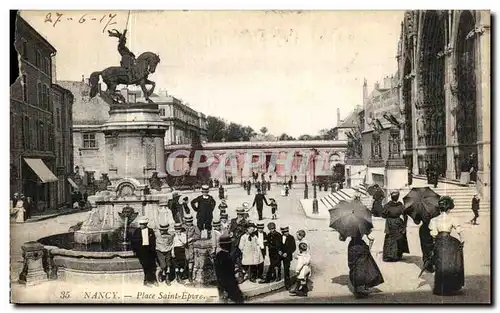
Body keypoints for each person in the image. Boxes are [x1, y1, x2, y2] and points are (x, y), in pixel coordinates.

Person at [429, 196, 465, 296]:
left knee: (440, 264)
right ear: (449, 208)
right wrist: (462, 241)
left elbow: (434, 234)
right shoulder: (452, 218)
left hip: (439, 241)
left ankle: (440, 288)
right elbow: (459, 231)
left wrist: (434, 245)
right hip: (450, 242)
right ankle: (452, 286)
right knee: (451, 263)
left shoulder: (434, 220)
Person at [340, 230, 384, 298]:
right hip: (360, 246)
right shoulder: (362, 225)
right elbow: (367, 232)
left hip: (352, 247)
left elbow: (342, 238)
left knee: (354, 267)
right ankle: (360, 289)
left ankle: (357, 289)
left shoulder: (348, 226)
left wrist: (342, 234)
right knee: (363, 267)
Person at [214, 235, 244, 303]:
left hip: (221, 282)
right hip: (229, 283)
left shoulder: (219, 255)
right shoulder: (227, 257)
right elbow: (229, 272)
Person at [381, 191, 409, 262]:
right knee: (397, 238)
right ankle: (396, 255)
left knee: (390, 238)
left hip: (390, 222)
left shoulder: (387, 205)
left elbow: (383, 214)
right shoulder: (400, 205)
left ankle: (390, 255)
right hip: (398, 222)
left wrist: (388, 216)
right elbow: (405, 215)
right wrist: (404, 225)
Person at [131, 217, 158, 286]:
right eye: (140, 224)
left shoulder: (150, 231)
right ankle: (146, 280)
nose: (141, 225)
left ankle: (153, 280)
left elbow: (153, 241)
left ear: (146, 224)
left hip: (149, 250)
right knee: (145, 265)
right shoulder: (137, 231)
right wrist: (135, 250)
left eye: (142, 224)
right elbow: (133, 241)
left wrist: (153, 250)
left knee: (152, 265)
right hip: (142, 250)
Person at [229, 208, 248, 280]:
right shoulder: (233, 220)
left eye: (241, 214)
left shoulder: (245, 222)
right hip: (233, 242)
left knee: (240, 259)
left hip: (241, 242)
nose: (240, 215)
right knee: (232, 257)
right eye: (238, 214)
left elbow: (245, 231)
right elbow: (231, 229)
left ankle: (241, 275)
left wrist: (241, 224)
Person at [183, 215, 202, 282]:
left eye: (190, 221)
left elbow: (198, 235)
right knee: (183, 259)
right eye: (187, 222)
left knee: (190, 259)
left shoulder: (194, 227)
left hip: (190, 246)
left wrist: (192, 238)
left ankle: (190, 275)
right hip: (182, 246)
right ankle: (183, 274)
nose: (189, 223)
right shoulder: (182, 227)